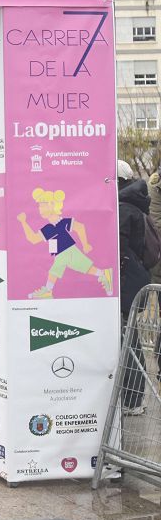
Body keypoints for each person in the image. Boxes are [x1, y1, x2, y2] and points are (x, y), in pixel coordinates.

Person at [117, 161, 153, 415]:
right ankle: (133, 396)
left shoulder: (122, 208)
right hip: (136, 276)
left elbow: (116, 249)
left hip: (127, 280)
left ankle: (133, 398)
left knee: (126, 338)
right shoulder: (136, 203)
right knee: (129, 336)